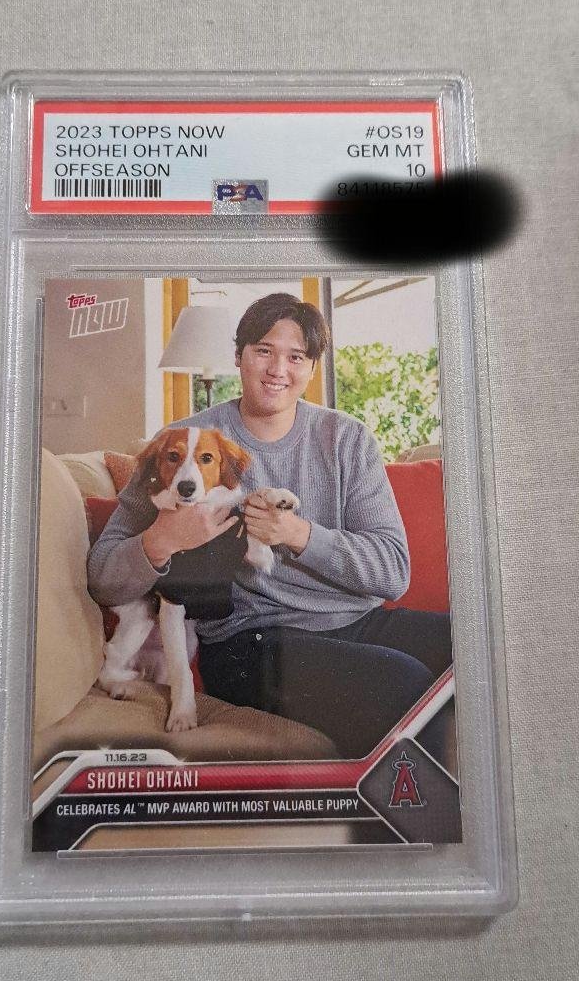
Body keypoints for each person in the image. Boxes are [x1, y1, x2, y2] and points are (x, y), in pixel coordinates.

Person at [87, 293, 453, 762]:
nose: (278, 369)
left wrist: (298, 535)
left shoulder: (347, 439)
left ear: (312, 368)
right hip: (250, 642)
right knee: (404, 683)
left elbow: (393, 572)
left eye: (296, 356)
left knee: (481, 647)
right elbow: (102, 576)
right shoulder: (180, 447)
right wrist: (162, 540)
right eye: (263, 350)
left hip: (356, 620)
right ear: (239, 356)